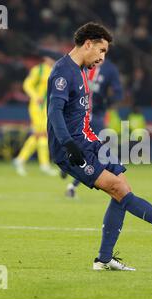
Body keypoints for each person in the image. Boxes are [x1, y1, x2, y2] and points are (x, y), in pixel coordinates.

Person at [47, 22, 152, 271]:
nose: (102, 58)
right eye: (101, 51)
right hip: (73, 147)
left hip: (89, 141)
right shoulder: (62, 72)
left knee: (122, 185)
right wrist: (68, 145)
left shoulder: (79, 70)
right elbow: (54, 112)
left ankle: (104, 259)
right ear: (88, 43)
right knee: (118, 189)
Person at [63, 58, 123, 198]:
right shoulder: (81, 63)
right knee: (90, 151)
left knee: (95, 152)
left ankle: (72, 181)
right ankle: (70, 170)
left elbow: (118, 92)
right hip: (79, 115)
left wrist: (108, 101)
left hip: (96, 116)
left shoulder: (109, 69)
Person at [13, 52, 61, 176]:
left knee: (39, 135)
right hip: (37, 106)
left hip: (48, 106)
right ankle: (43, 165)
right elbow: (27, 84)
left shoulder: (57, 71)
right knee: (42, 134)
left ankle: (20, 160)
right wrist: (35, 96)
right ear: (45, 59)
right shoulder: (38, 70)